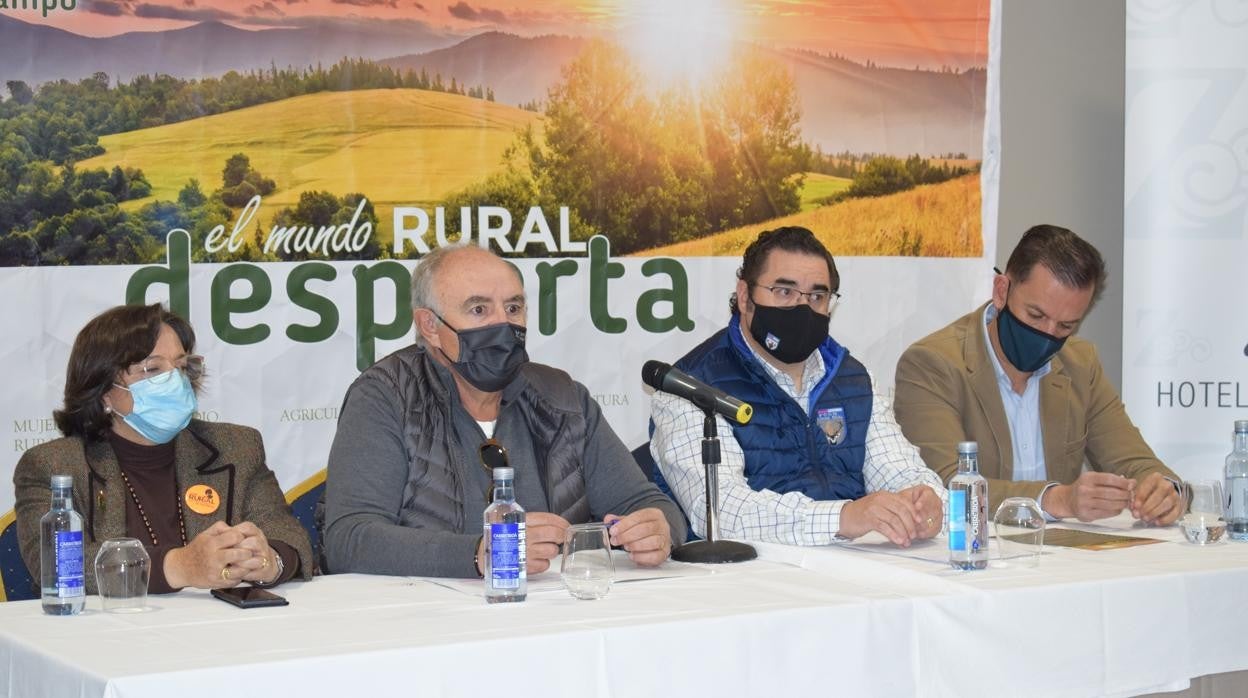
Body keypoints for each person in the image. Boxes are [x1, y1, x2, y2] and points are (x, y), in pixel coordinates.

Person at [321, 244, 685, 578]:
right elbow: (349, 540)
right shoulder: (386, 397)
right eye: (479, 309)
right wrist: (480, 554)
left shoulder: (563, 400)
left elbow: (644, 503)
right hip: (429, 625)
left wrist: (659, 528)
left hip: (559, 618)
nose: (503, 324)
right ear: (430, 326)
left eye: (513, 307)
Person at [650, 227, 945, 547]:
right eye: (784, 292)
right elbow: (721, 513)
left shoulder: (853, 380)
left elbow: (900, 471)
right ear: (746, 295)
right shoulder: (692, 387)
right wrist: (843, 517)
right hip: (747, 582)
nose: (802, 309)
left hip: (853, 573)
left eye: (817, 297)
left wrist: (924, 502)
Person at [13, 304, 312, 594]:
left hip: (222, 632)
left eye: (181, 366)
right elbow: (55, 564)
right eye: (153, 369)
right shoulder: (54, 466)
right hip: (112, 637)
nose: (175, 380)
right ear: (104, 391)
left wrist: (272, 561)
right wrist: (180, 567)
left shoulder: (236, 448)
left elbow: (288, 535)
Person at [894, 224, 1183, 524]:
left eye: (1066, 326)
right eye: (1036, 315)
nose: (1047, 335)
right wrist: (1056, 499)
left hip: (1062, 561)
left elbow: (1137, 462)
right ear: (1001, 290)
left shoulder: (1080, 364)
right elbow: (947, 487)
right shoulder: (932, 364)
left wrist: (1164, 492)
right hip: (972, 556)